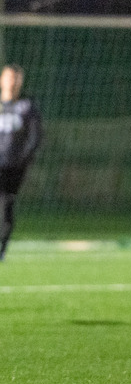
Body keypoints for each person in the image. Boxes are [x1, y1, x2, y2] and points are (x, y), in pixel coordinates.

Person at [0, 64, 42, 261]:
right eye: (9, 77)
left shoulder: (26, 106)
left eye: (16, 78)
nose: (12, 82)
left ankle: (2, 247)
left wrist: (24, 158)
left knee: (6, 204)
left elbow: (35, 136)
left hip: (13, 166)